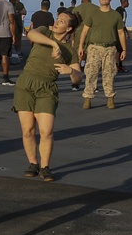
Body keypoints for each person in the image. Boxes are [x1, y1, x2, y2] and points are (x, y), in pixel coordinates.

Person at [13, 11, 81, 181]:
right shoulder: (45, 31)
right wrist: (53, 44)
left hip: (47, 88)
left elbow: (78, 78)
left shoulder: (70, 51)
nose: (57, 22)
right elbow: (31, 33)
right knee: (28, 130)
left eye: (62, 21)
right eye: (58, 19)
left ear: (69, 28)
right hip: (26, 83)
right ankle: (33, 163)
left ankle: (45, 167)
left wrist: (70, 71)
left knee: (46, 131)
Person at [77, 0, 126, 110]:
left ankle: (110, 98)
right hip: (94, 47)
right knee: (91, 73)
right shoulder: (93, 14)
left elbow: (120, 33)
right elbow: (85, 31)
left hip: (110, 47)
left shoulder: (115, 15)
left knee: (109, 73)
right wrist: (80, 46)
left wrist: (124, 49)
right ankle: (88, 98)